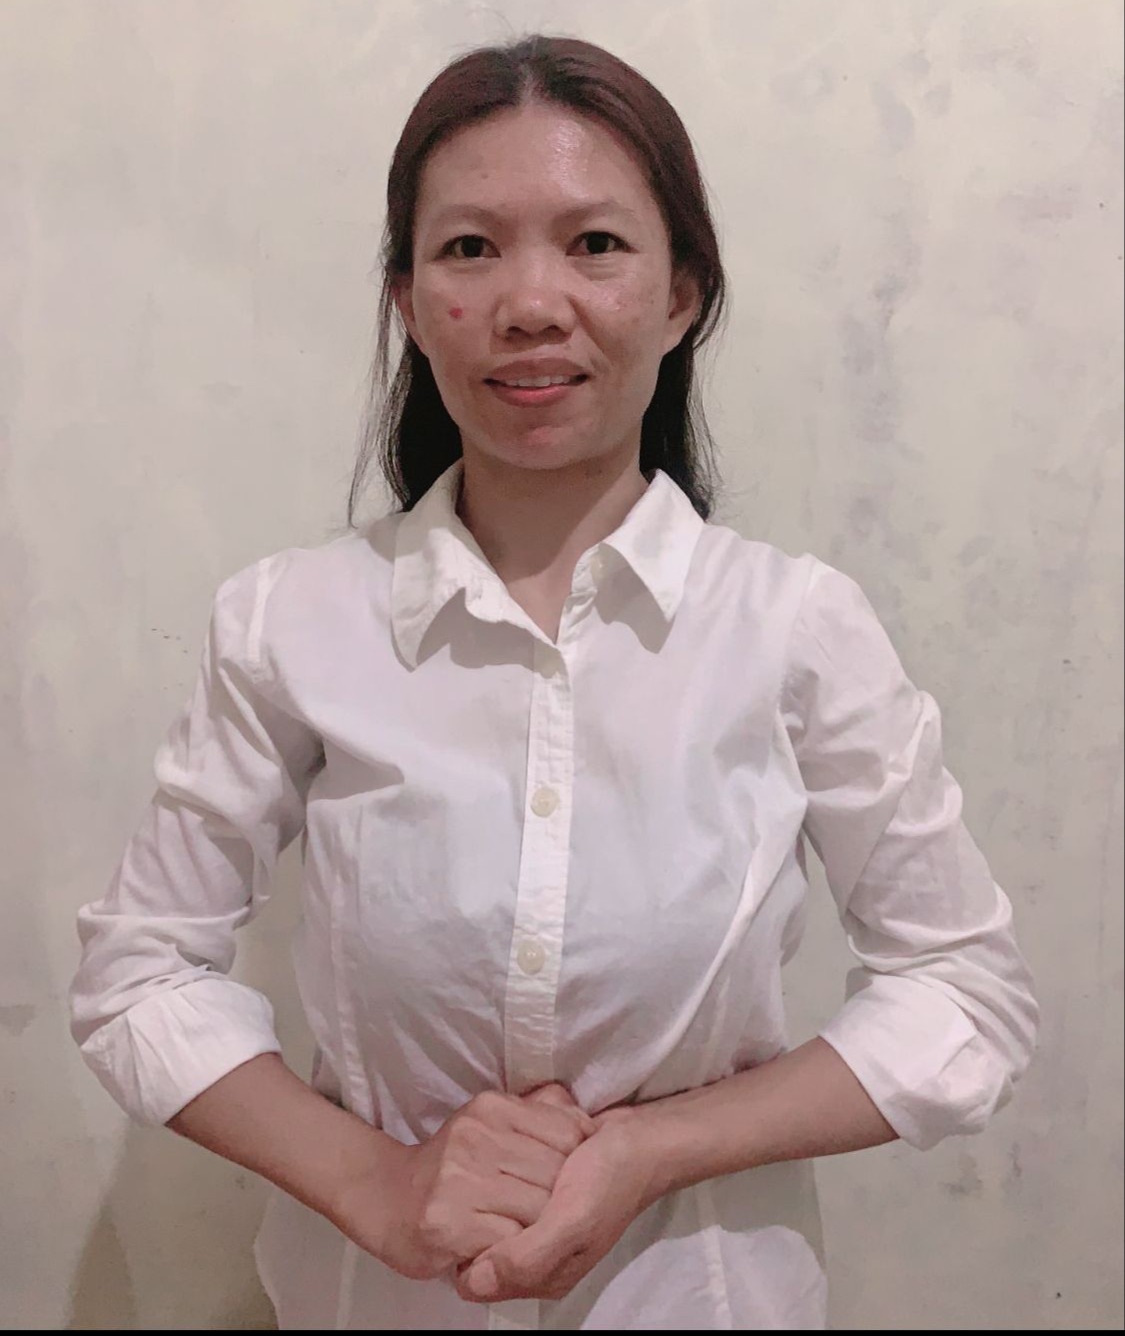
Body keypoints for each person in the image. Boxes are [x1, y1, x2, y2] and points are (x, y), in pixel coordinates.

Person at [68, 32, 1040, 1331]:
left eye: (594, 244)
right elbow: (139, 972)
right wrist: (379, 1184)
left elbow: (964, 991)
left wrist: (652, 1148)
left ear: (682, 295)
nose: (531, 303)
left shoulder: (794, 628)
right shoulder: (287, 623)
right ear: (408, 299)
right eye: (470, 248)